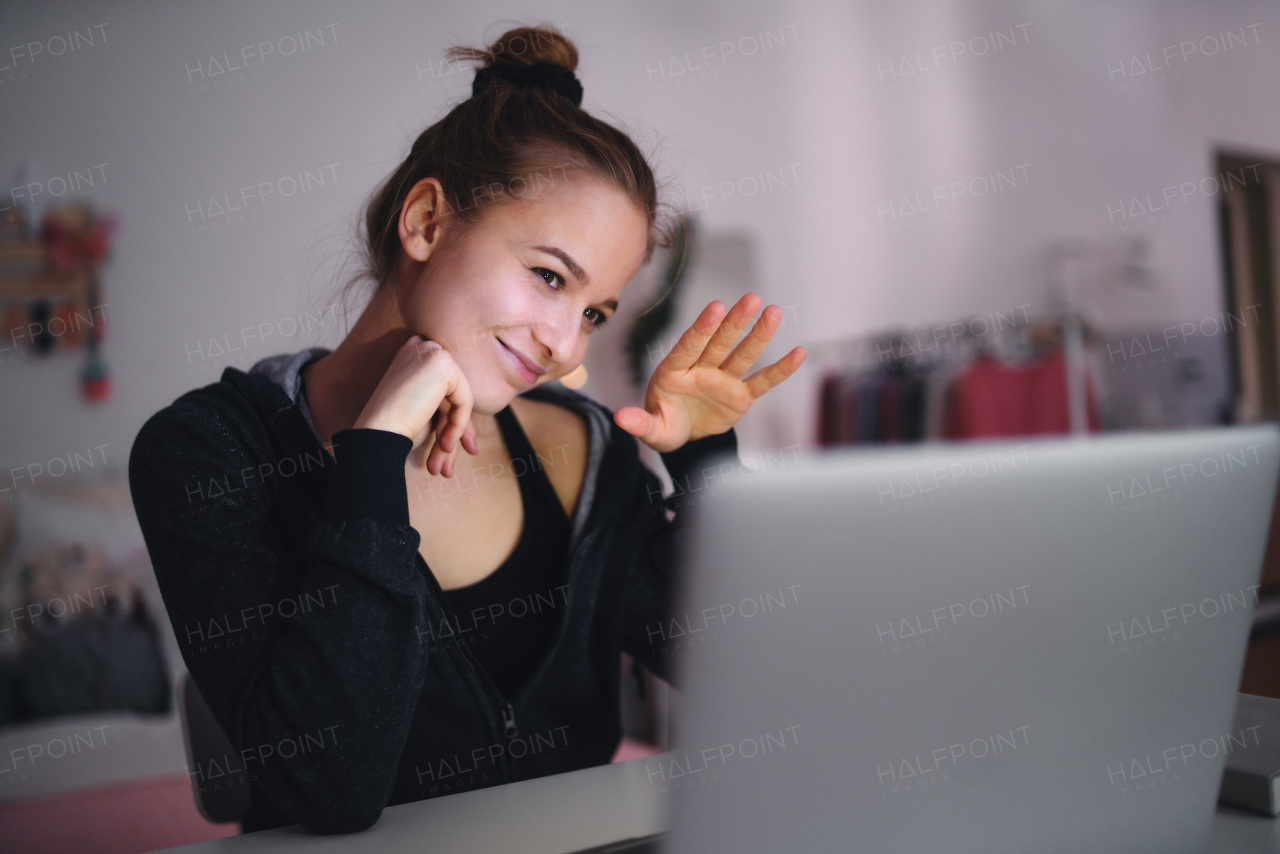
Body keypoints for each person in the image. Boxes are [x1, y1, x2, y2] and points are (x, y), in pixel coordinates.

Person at [128, 25, 806, 835]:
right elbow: (326, 789)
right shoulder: (207, 452)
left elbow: (751, 678)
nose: (565, 342)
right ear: (425, 222)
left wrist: (703, 463)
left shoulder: (587, 450)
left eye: (593, 311)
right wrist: (374, 454)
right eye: (548, 276)